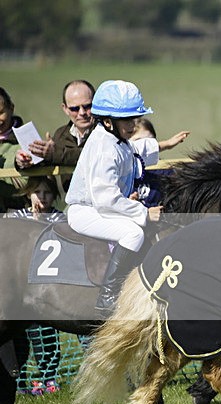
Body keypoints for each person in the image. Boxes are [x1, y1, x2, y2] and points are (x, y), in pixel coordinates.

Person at [64, 80, 163, 312]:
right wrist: (144, 213)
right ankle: (107, 296)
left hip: (96, 207)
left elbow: (135, 152)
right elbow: (107, 199)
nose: (133, 125)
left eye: (135, 119)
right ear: (108, 121)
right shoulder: (104, 147)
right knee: (133, 234)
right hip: (84, 212)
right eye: (127, 120)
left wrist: (165, 144)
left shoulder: (113, 138)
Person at [5, 177, 67, 394]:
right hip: (22, 289)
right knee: (20, 340)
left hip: (49, 290)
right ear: (28, 194)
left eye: (47, 193)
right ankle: (20, 381)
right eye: (37, 192)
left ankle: (48, 378)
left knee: (48, 339)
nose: (42, 197)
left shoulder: (60, 219)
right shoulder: (18, 218)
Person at [14, 80, 97, 178]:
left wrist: (55, 154)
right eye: (74, 109)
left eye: (87, 106)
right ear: (65, 109)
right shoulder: (61, 135)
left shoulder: (107, 132)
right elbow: (48, 162)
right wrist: (24, 161)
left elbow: (92, 156)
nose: (82, 112)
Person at [128, 117, 191, 207]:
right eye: (140, 141)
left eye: (150, 141)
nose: (147, 147)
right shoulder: (123, 173)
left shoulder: (166, 172)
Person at [0, 87, 27, 212]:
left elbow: (26, 185)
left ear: (11, 108)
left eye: (0, 113)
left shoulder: (27, 139)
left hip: (16, 217)